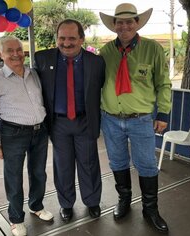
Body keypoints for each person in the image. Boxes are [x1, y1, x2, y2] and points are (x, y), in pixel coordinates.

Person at [99, 3, 172, 233]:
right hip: (110, 119)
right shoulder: (105, 52)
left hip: (141, 119)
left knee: (147, 165)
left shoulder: (153, 49)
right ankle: (124, 200)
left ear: (137, 23)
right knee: (117, 162)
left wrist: (163, 113)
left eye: (129, 21)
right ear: (114, 25)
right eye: (120, 22)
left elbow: (163, 83)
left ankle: (150, 209)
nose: (124, 25)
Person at [0, 36, 53, 236]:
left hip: (40, 131)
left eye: (18, 50)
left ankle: (36, 206)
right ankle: (16, 218)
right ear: (0, 54)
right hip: (13, 133)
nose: (15, 54)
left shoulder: (34, 74)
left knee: (38, 173)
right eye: (9, 50)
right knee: (13, 177)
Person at [34, 19, 105, 222]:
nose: (66, 43)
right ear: (56, 38)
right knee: (62, 166)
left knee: (89, 164)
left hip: (85, 121)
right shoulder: (42, 58)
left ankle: (92, 202)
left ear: (81, 39)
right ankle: (66, 204)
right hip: (58, 123)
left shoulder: (96, 62)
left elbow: (101, 88)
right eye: (62, 38)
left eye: (72, 38)